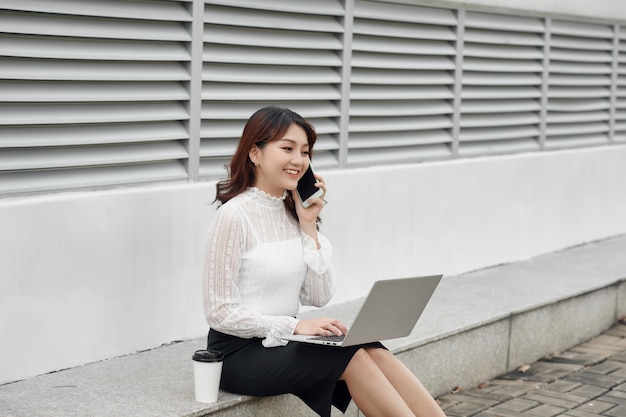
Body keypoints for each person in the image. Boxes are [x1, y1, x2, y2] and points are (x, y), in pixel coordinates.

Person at [203, 106, 447, 417]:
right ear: (255, 153)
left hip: (284, 341)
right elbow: (219, 311)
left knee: (370, 348)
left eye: (304, 152)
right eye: (287, 148)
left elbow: (318, 296)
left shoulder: (294, 211)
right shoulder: (233, 216)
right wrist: (294, 326)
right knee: (350, 357)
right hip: (237, 353)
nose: (298, 160)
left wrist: (308, 226)